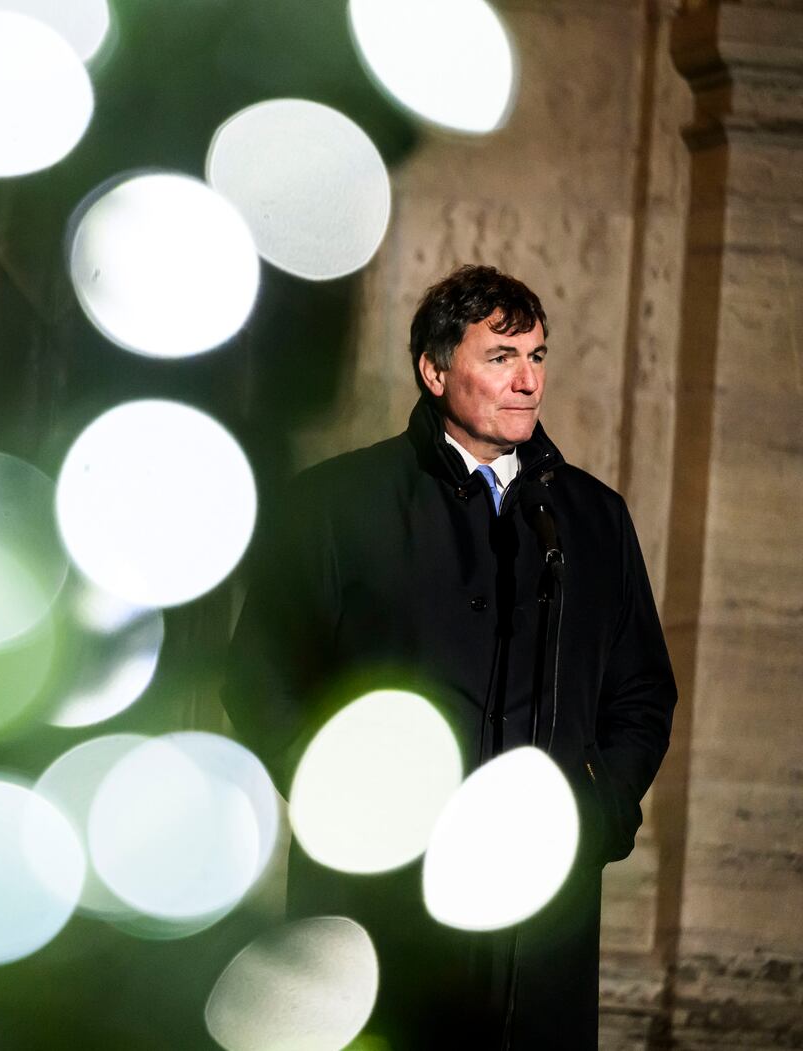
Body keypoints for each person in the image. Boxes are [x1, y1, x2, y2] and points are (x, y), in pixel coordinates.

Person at [222, 264, 677, 1050]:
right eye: (501, 356)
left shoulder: (595, 518)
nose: (528, 380)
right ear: (435, 370)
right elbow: (260, 678)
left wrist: (595, 811)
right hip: (377, 901)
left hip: (540, 907)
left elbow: (640, 693)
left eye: (538, 356)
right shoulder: (336, 503)